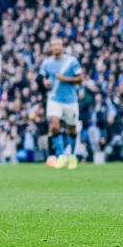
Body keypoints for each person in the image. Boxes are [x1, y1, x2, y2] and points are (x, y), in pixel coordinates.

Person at [40, 37, 84, 169]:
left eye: (59, 44)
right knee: (53, 125)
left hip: (70, 100)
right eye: (54, 45)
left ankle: (72, 156)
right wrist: (45, 82)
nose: (57, 47)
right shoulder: (46, 63)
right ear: (51, 47)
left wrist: (64, 78)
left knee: (71, 129)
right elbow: (44, 78)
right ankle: (61, 155)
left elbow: (80, 80)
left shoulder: (71, 61)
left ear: (63, 47)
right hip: (54, 99)